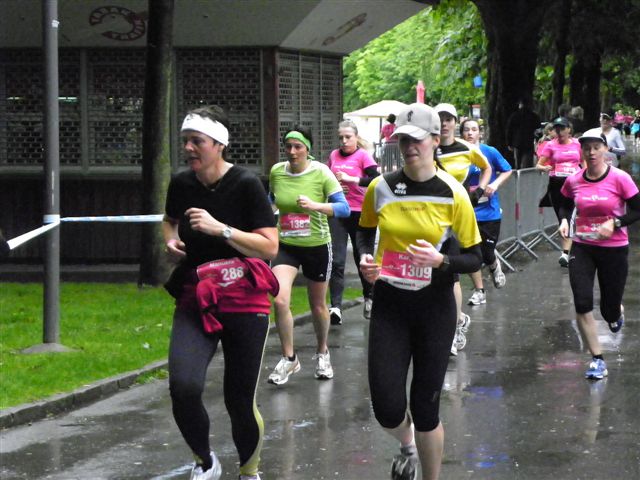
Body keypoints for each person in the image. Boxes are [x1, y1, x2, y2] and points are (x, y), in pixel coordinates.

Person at [357, 103, 482, 480]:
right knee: (386, 408)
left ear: (434, 141)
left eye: (417, 140)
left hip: (434, 308)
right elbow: (364, 230)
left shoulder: (453, 193)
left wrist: (441, 260)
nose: (409, 147)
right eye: (403, 140)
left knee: (426, 409)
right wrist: (365, 258)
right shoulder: (380, 187)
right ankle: (406, 443)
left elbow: (475, 257)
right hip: (391, 304)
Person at [163, 105, 279, 480]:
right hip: (197, 296)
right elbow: (169, 220)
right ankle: (206, 462)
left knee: (239, 399)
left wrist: (221, 229)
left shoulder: (246, 184)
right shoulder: (181, 184)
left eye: (196, 141)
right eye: (185, 141)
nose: (188, 148)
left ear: (219, 144)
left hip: (244, 298)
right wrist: (171, 240)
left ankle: (249, 471)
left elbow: (269, 246)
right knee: (183, 386)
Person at [267, 125, 350, 385]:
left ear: (307, 149)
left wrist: (315, 206)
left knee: (318, 305)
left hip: (316, 245)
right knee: (280, 300)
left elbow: (344, 208)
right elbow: (271, 199)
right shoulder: (277, 171)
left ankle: (322, 352)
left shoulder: (321, 172)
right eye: (288, 146)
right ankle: (289, 358)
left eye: (298, 147)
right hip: (286, 245)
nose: (292, 152)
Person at [558, 128, 640, 380]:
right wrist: (564, 220)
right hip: (582, 246)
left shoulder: (620, 178)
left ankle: (616, 312)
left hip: (614, 249)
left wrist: (615, 223)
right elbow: (564, 202)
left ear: (605, 149)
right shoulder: (574, 180)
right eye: (587, 148)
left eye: (596, 147)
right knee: (582, 302)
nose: (591, 152)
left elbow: (637, 210)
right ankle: (597, 359)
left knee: (608, 310)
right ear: (581, 151)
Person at [434, 102, 492, 355]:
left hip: (458, 216)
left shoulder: (466, 148)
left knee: (452, 272)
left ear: (455, 122)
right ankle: (456, 319)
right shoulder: (429, 146)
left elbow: (487, 167)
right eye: (440, 119)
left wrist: (480, 190)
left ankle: (455, 327)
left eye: (448, 119)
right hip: (433, 216)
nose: (444, 124)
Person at [327, 120, 380, 324]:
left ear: (356, 137)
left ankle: (369, 297)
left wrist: (352, 179)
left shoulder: (363, 156)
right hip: (339, 212)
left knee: (362, 259)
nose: (344, 141)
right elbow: (327, 180)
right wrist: (335, 188)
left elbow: (376, 180)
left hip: (361, 213)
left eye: (348, 137)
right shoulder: (334, 155)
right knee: (337, 260)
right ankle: (336, 307)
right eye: (341, 137)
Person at [460, 119, 513, 305]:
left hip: (489, 211)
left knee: (486, 252)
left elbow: (507, 170)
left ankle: (494, 264)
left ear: (480, 133)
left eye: (474, 130)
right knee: (470, 252)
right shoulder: (456, 154)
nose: (470, 133)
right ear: (461, 133)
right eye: (466, 130)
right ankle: (479, 291)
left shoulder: (489, 151)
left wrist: (494, 184)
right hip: (466, 210)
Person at [536, 116, 582, 267]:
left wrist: (587, 176)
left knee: (568, 216)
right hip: (556, 185)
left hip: (574, 185)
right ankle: (567, 253)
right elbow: (539, 165)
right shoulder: (550, 145)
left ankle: (566, 253)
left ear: (569, 129)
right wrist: (545, 168)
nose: (559, 132)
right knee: (562, 218)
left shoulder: (577, 144)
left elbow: (584, 163)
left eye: (562, 128)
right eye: (557, 129)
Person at [506, 99, 541, 169]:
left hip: (517, 143)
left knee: (517, 162)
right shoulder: (533, 116)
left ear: (520, 105)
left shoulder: (514, 116)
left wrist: (509, 143)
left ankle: (518, 172)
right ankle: (525, 173)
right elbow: (538, 129)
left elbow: (509, 130)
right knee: (527, 163)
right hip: (528, 142)